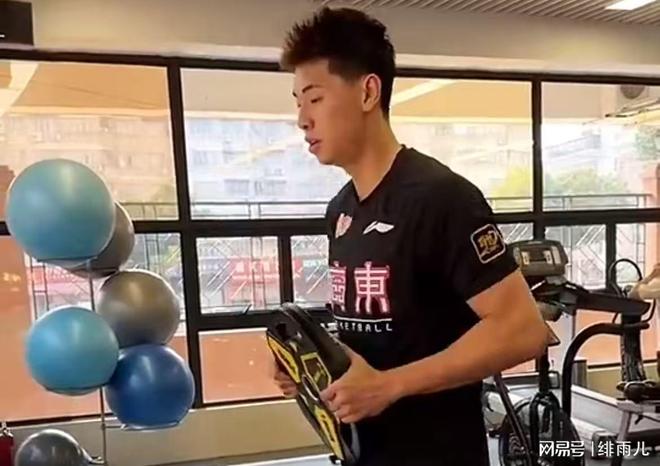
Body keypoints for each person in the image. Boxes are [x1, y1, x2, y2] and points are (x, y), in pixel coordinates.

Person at [272, 6, 548, 466]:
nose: (302, 118)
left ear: (368, 92)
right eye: (297, 101)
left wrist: (390, 386)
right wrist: (309, 366)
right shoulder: (340, 210)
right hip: (365, 452)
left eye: (314, 98)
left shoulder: (442, 198)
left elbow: (523, 330)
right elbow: (380, 337)